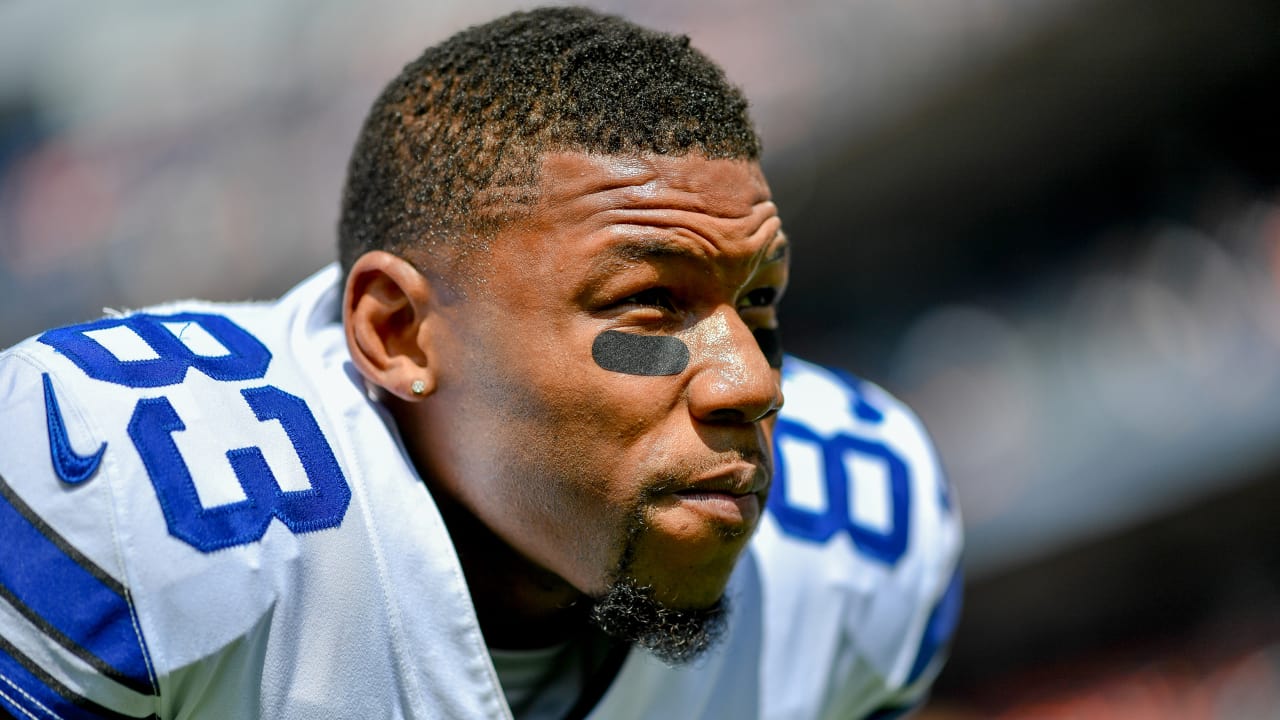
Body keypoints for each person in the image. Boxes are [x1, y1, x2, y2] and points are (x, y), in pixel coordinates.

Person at [0, 7, 961, 719]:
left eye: (758, 301)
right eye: (646, 305)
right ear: (399, 334)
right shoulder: (123, 498)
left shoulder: (857, 542)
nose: (753, 382)